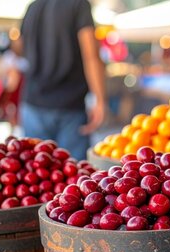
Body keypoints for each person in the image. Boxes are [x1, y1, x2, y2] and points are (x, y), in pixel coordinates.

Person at [19, 0, 106, 160]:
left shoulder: (33, 7)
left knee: (34, 173)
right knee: (74, 175)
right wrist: (99, 100)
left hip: (33, 103)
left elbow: (20, 47)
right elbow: (91, 55)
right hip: (70, 106)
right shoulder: (79, 5)